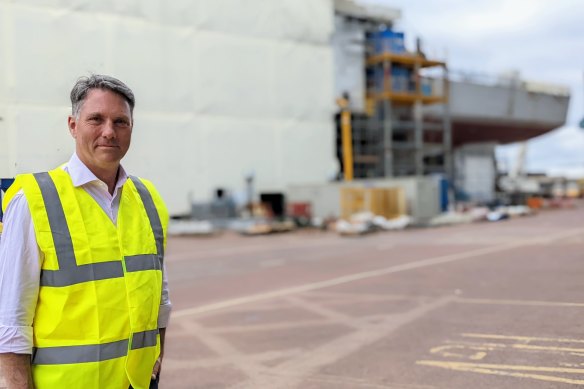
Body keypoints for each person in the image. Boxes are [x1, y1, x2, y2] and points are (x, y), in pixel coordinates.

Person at [0, 75, 171, 389]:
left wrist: (158, 353)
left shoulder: (148, 199)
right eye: (96, 119)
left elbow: (159, 296)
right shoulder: (35, 200)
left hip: (137, 382)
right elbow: (10, 318)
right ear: (73, 125)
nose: (109, 132)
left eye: (121, 121)